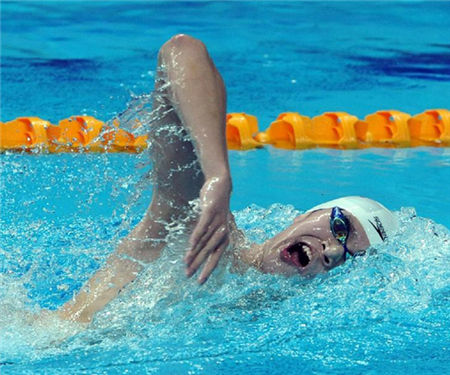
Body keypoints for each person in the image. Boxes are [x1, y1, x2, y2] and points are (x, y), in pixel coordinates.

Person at [57, 34, 398, 323]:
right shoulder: (200, 232)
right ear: (306, 215)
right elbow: (181, 51)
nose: (334, 253)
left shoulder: (262, 316)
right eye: (342, 228)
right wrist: (217, 175)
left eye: (351, 259)